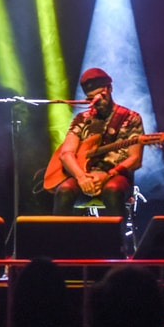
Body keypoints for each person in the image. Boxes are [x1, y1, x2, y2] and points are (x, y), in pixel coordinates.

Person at [50, 67, 144, 216]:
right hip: (84, 177)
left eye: (101, 95)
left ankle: (115, 232)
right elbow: (66, 153)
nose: (97, 101)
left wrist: (107, 175)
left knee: (112, 191)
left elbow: (135, 159)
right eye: (91, 98)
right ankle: (61, 232)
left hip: (115, 176)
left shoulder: (131, 118)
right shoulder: (82, 119)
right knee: (64, 192)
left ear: (109, 88)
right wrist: (81, 177)